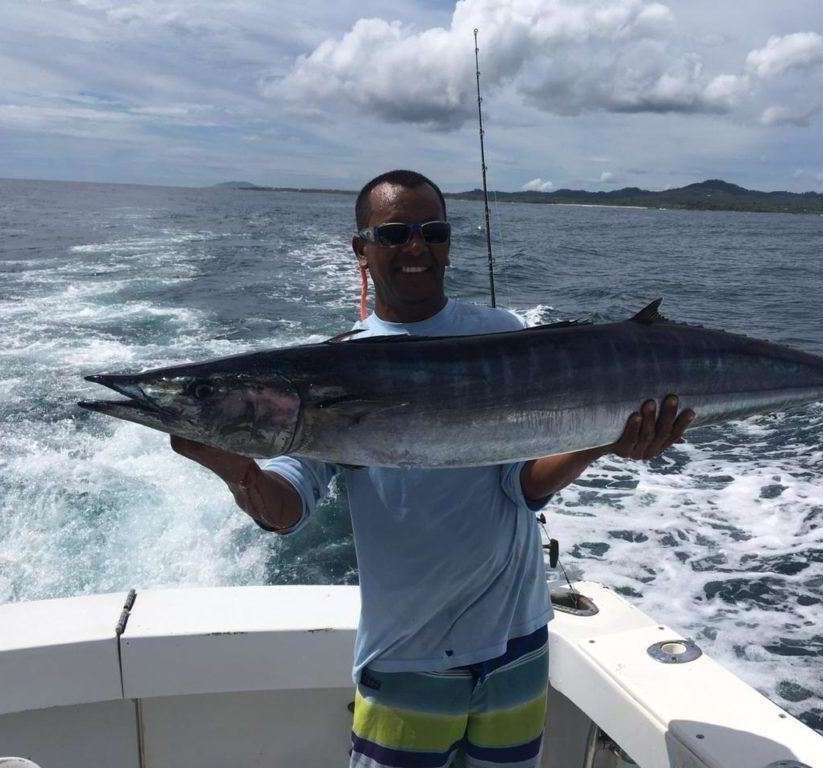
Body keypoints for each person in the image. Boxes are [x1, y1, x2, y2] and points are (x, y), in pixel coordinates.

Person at [171, 169, 693, 768]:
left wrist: (604, 441)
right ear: (360, 249)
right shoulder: (333, 369)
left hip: (518, 647)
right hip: (407, 660)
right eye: (393, 234)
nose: (415, 247)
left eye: (433, 231)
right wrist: (236, 468)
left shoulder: (500, 336)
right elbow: (286, 509)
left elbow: (520, 487)